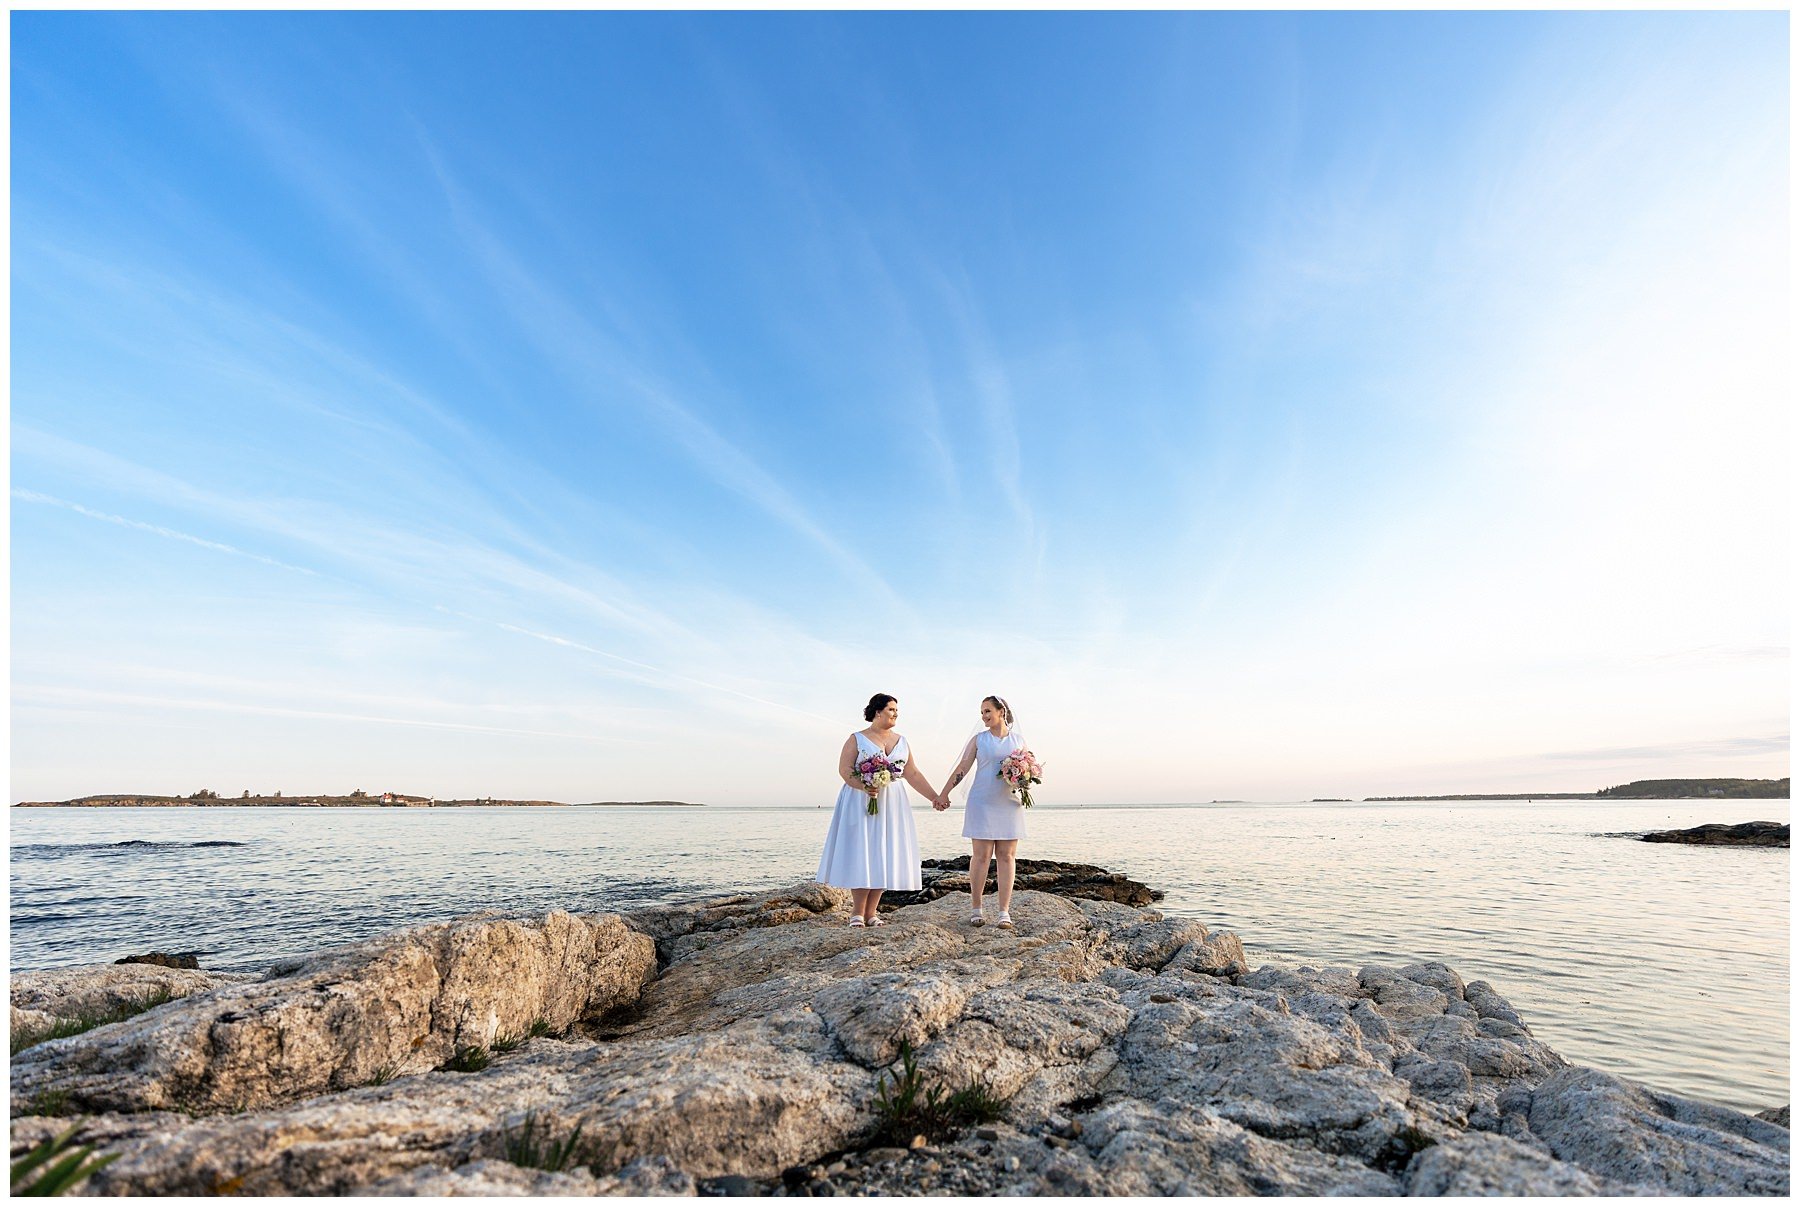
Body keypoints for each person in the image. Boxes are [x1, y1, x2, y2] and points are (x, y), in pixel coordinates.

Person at [816, 693, 946, 927]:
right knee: (862, 851)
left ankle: (872, 913)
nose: (896, 714)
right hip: (860, 801)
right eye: (891, 709)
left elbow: (912, 773)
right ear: (877, 711)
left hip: (892, 803)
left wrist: (934, 797)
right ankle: (857, 913)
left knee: (883, 853)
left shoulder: (902, 741)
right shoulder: (857, 738)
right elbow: (845, 770)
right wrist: (864, 786)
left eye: (897, 710)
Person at [938, 695, 1026, 928]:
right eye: (982, 713)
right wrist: (944, 793)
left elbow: (1028, 770)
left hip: (1009, 803)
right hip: (982, 802)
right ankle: (976, 908)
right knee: (981, 856)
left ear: (1001, 712)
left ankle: (1004, 912)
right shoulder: (979, 740)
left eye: (988, 711)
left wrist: (1025, 776)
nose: (984, 716)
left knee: (1007, 857)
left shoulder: (1018, 740)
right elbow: (963, 768)